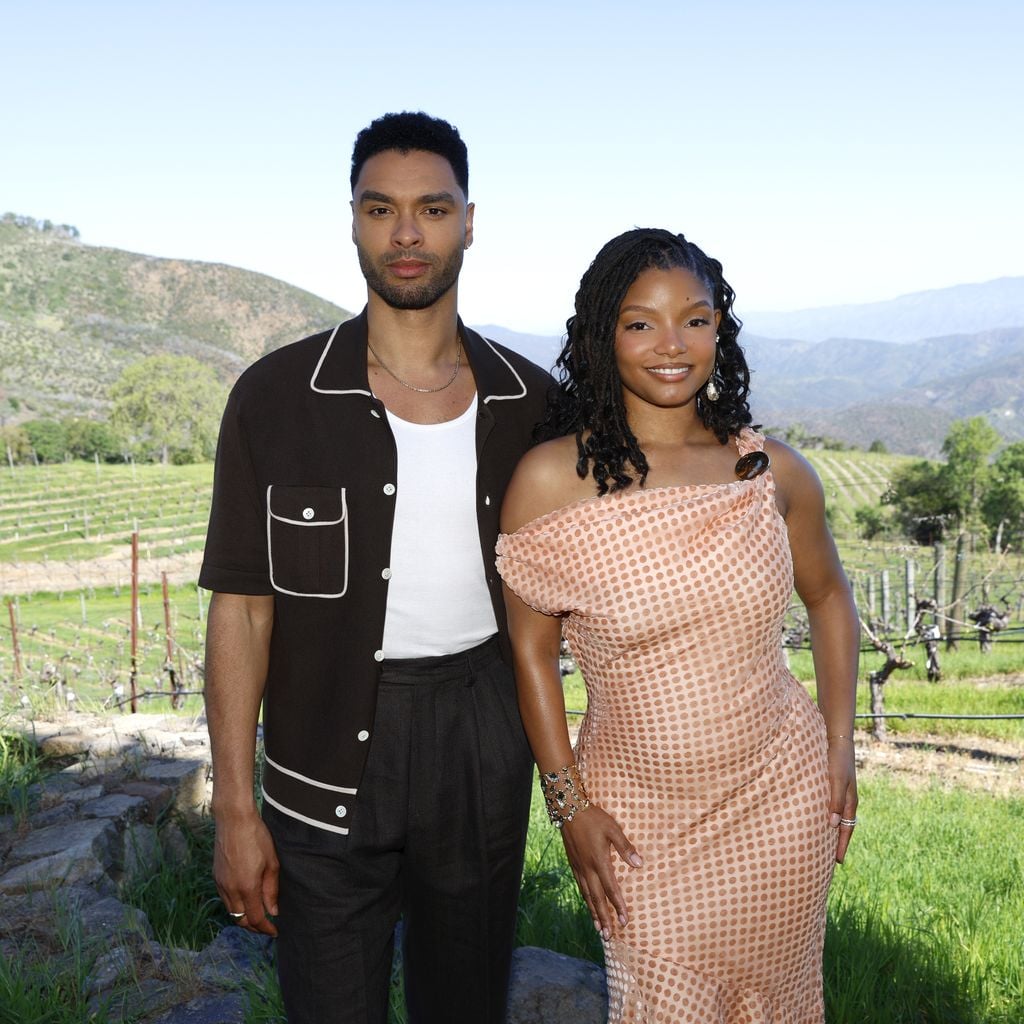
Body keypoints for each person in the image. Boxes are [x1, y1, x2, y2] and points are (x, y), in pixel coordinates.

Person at [200, 111, 551, 1024]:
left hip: (482, 739)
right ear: (351, 220)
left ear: (470, 221)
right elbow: (240, 613)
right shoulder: (274, 399)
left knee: (466, 1004)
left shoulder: (533, 405)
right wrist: (235, 810)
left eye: (432, 208)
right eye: (380, 208)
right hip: (320, 752)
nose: (406, 233)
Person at [496, 228, 859, 1022]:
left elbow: (830, 599)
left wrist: (839, 747)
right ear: (602, 336)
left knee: (780, 1004)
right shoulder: (553, 481)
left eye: (695, 320)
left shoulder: (769, 472)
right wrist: (568, 803)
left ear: (719, 331)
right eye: (641, 322)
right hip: (636, 823)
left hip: (780, 803)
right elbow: (530, 649)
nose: (672, 345)